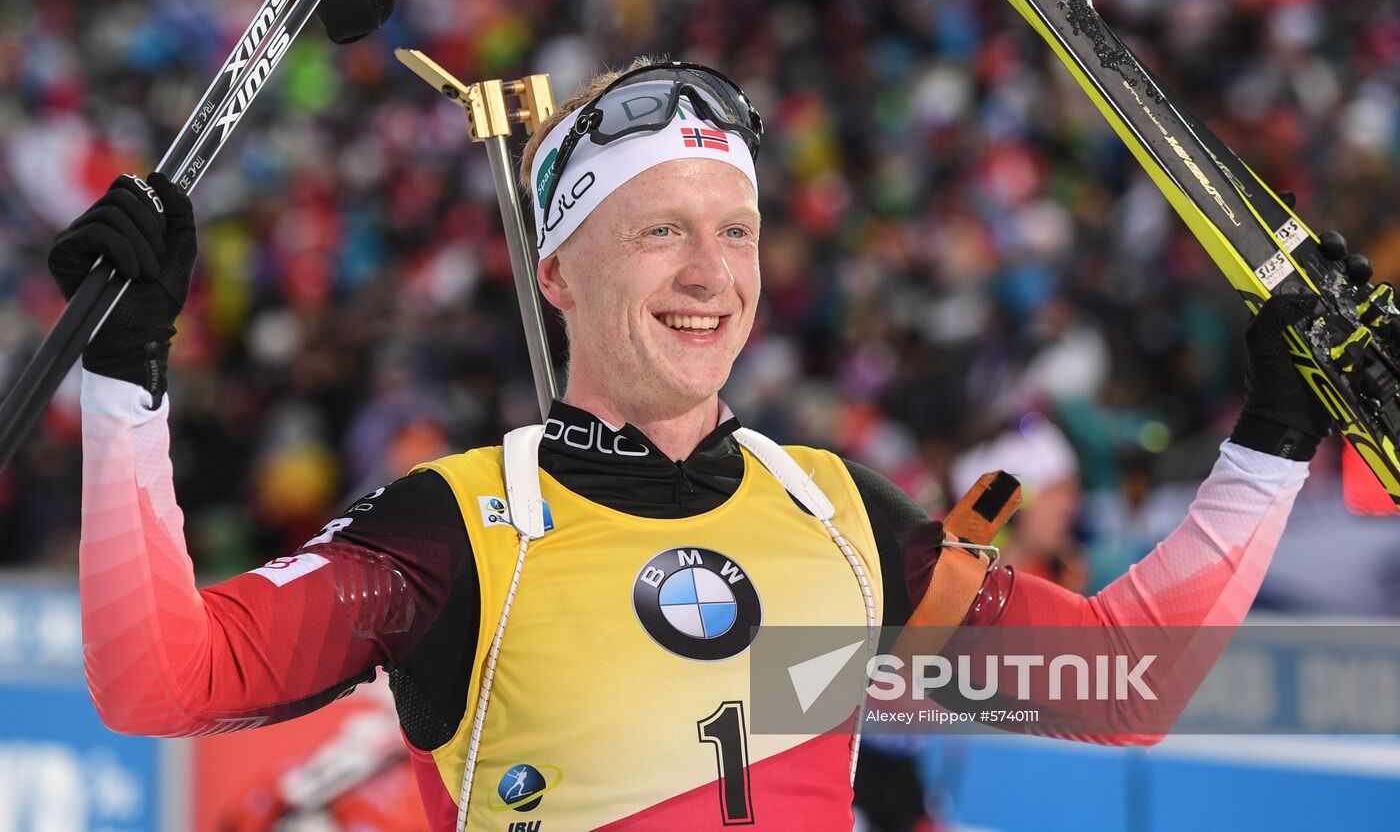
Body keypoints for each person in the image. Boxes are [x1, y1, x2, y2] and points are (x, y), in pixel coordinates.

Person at [51, 58, 1338, 831]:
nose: (708, 273)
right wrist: (125, 384)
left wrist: (1273, 437)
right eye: (657, 229)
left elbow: (1126, 686)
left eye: (734, 231)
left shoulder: (836, 507)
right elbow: (162, 681)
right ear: (556, 269)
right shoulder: (454, 525)